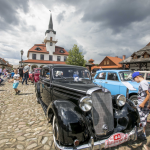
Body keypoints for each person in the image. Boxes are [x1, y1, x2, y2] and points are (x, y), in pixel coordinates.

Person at [132, 72, 150, 140]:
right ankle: (142, 133)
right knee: (141, 118)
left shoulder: (143, 83)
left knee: (142, 119)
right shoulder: (144, 82)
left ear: (137, 77)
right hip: (142, 103)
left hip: (143, 105)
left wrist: (143, 103)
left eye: (134, 79)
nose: (135, 81)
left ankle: (143, 134)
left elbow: (148, 94)